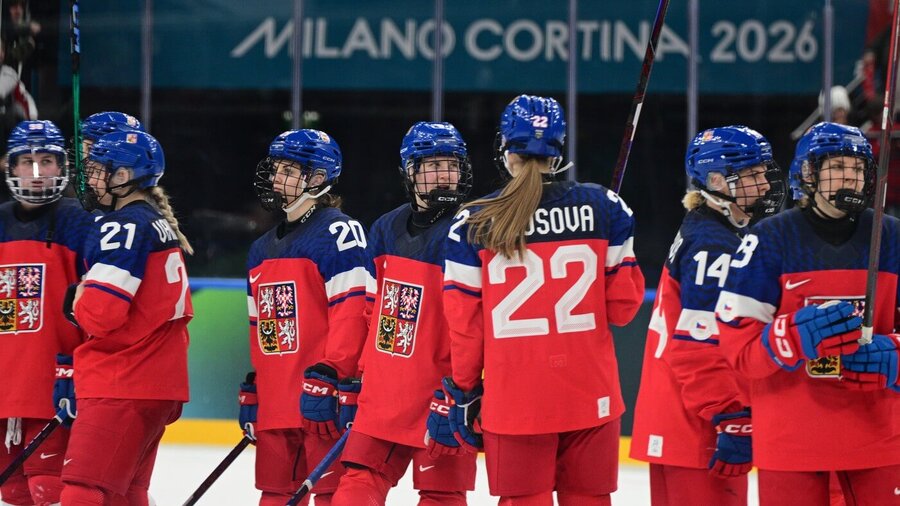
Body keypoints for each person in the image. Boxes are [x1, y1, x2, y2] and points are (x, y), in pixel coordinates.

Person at [433, 94, 645, 505]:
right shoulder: (605, 206)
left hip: (514, 402)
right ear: (558, 150)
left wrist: (463, 388)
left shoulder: (473, 222)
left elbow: (465, 325)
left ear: (506, 150)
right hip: (590, 396)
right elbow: (623, 308)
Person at [715, 122, 900, 506]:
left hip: (880, 438)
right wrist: (788, 338)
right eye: (837, 167)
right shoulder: (768, 239)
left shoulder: (892, 237)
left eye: (857, 168)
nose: (850, 177)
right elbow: (737, 349)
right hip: (791, 440)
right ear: (809, 174)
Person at [630, 126, 785, 505]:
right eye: (751, 175)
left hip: (676, 416)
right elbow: (698, 347)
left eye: (764, 172)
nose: (764, 184)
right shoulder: (714, 247)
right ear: (717, 180)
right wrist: (729, 416)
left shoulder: (705, 228)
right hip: (699, 427)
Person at [329, 122, 477, 506]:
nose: (445, 174)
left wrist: (467, 391)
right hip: (385, 393)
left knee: (442, 496)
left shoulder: (475, 230)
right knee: (356, 485)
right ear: (410, 173)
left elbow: (481, 325)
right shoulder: (385, 227)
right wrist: (358, 378)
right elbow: (373, 312)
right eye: (433, 165)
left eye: (452, 164)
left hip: (444, 393)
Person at [61, 130, 192, 505]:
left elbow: (102, 314)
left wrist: (76, 302)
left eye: (100, 170)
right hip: (157, 384)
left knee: (81, 489)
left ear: (123, 177)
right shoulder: (155, 222)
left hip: (122, 379)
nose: (91, 179)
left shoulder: (122, 226)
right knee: (126, 493)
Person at [242, 129, 370, 506]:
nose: (275, 178)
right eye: (276, 168)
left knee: (331, 496)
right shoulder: (260, 249)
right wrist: (256, 383)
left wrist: (336, 375)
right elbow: (261, 330)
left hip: (322, 403)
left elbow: (353, 314)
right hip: (278, 403)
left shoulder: (338, 232)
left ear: (316, 179)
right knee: (273, 496)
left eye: (287, 170)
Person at [0, 120, 90, 506]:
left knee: (49, 488)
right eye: (27, 161)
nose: (37, 172)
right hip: (6, 387)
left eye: (48, 160)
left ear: (63, 165)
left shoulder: (80, 220)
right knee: (13, 491)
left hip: (56, 388)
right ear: (11, 166)